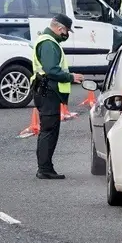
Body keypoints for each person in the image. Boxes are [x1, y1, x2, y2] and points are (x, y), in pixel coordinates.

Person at [31, 13, 84, 180]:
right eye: (66, 31)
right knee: (48, 131)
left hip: (45, 90)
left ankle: (46, 167)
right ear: (60, 28)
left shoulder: (48, 41)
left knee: (49, 130)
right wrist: (70, 77)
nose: (66, 34)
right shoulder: (48, 43)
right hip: (47, 91)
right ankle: (45, 168)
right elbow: (51, 69)